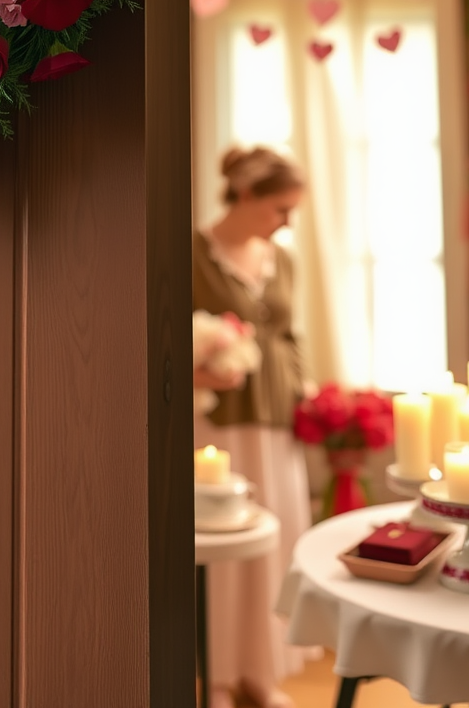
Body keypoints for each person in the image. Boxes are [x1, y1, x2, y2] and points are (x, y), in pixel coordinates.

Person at [193, 146, 314, 708]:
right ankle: (217, 675)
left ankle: (260, 673)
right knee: (223, 554)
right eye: (281, 209)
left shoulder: (281, 259)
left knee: (272, 549)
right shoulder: (190, 251)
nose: (288, 222)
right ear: (246, 194)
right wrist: (198, 370)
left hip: (276, 427)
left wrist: (307, 393)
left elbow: (291, 337)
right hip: (215, 431)